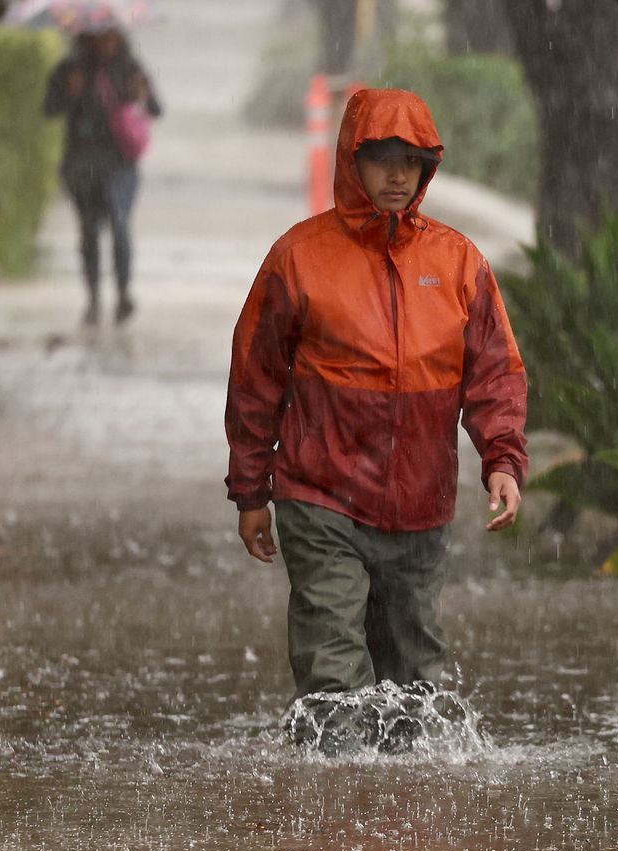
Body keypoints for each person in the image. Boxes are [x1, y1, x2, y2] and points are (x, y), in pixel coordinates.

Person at [224, 88, 528, 749]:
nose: (397, 175)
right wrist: (251, 491)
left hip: (420, 509)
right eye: (382, 159)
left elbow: (496, 372)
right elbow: (255, 379)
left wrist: (502, 460)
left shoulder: (458, 264)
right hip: (319, 498)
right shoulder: (299, 259)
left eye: (412, 161)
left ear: (427, 168)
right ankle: (333, 826)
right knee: (334, 683)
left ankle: (404, 838)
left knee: (414, 691)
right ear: (351, 162)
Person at [41, 26, 160, 326]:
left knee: (120, 225)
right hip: (81, 164)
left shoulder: (130, 67)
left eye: (112, 34)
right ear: (88, 36)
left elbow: (155, 109)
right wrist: (71, 91)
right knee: (89, 231)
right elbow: (49, 109)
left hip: (120, 165)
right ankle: (93, 299)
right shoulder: (70, 68)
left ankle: (122, 295)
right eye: (100, 35)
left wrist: (142, 94)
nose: (107, 40)